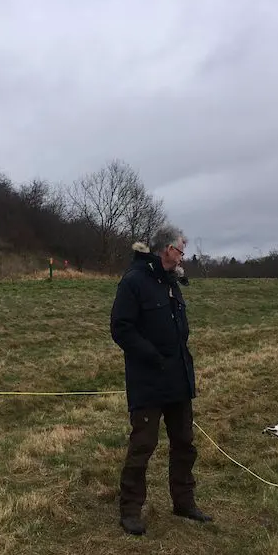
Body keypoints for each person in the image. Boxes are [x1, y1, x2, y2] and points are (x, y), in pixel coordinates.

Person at [110, 226, 212, 535]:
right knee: (143, 445)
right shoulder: (133, 282)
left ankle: (184, 501)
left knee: (184, 443)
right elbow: (121, 328)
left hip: (179, 379)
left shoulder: (172, 283)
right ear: (166, 249)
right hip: (149, 380)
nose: (183, 256)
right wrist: (153, 357)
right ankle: (130, 509)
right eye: (180, 250)